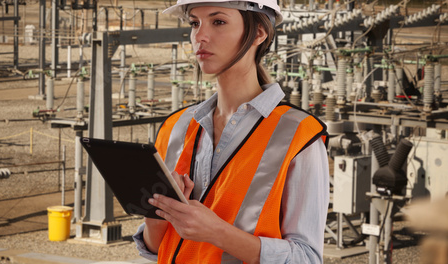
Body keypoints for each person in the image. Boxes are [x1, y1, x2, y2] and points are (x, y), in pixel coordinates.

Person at [132, 0, 330, 263]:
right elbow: (156, 247)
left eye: (218, 22)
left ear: (259, 32)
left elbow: (306, 258)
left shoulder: (298, 134)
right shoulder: (176, 126)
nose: (200, 36)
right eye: (194, 23)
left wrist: (217, 233)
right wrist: (156, 215)